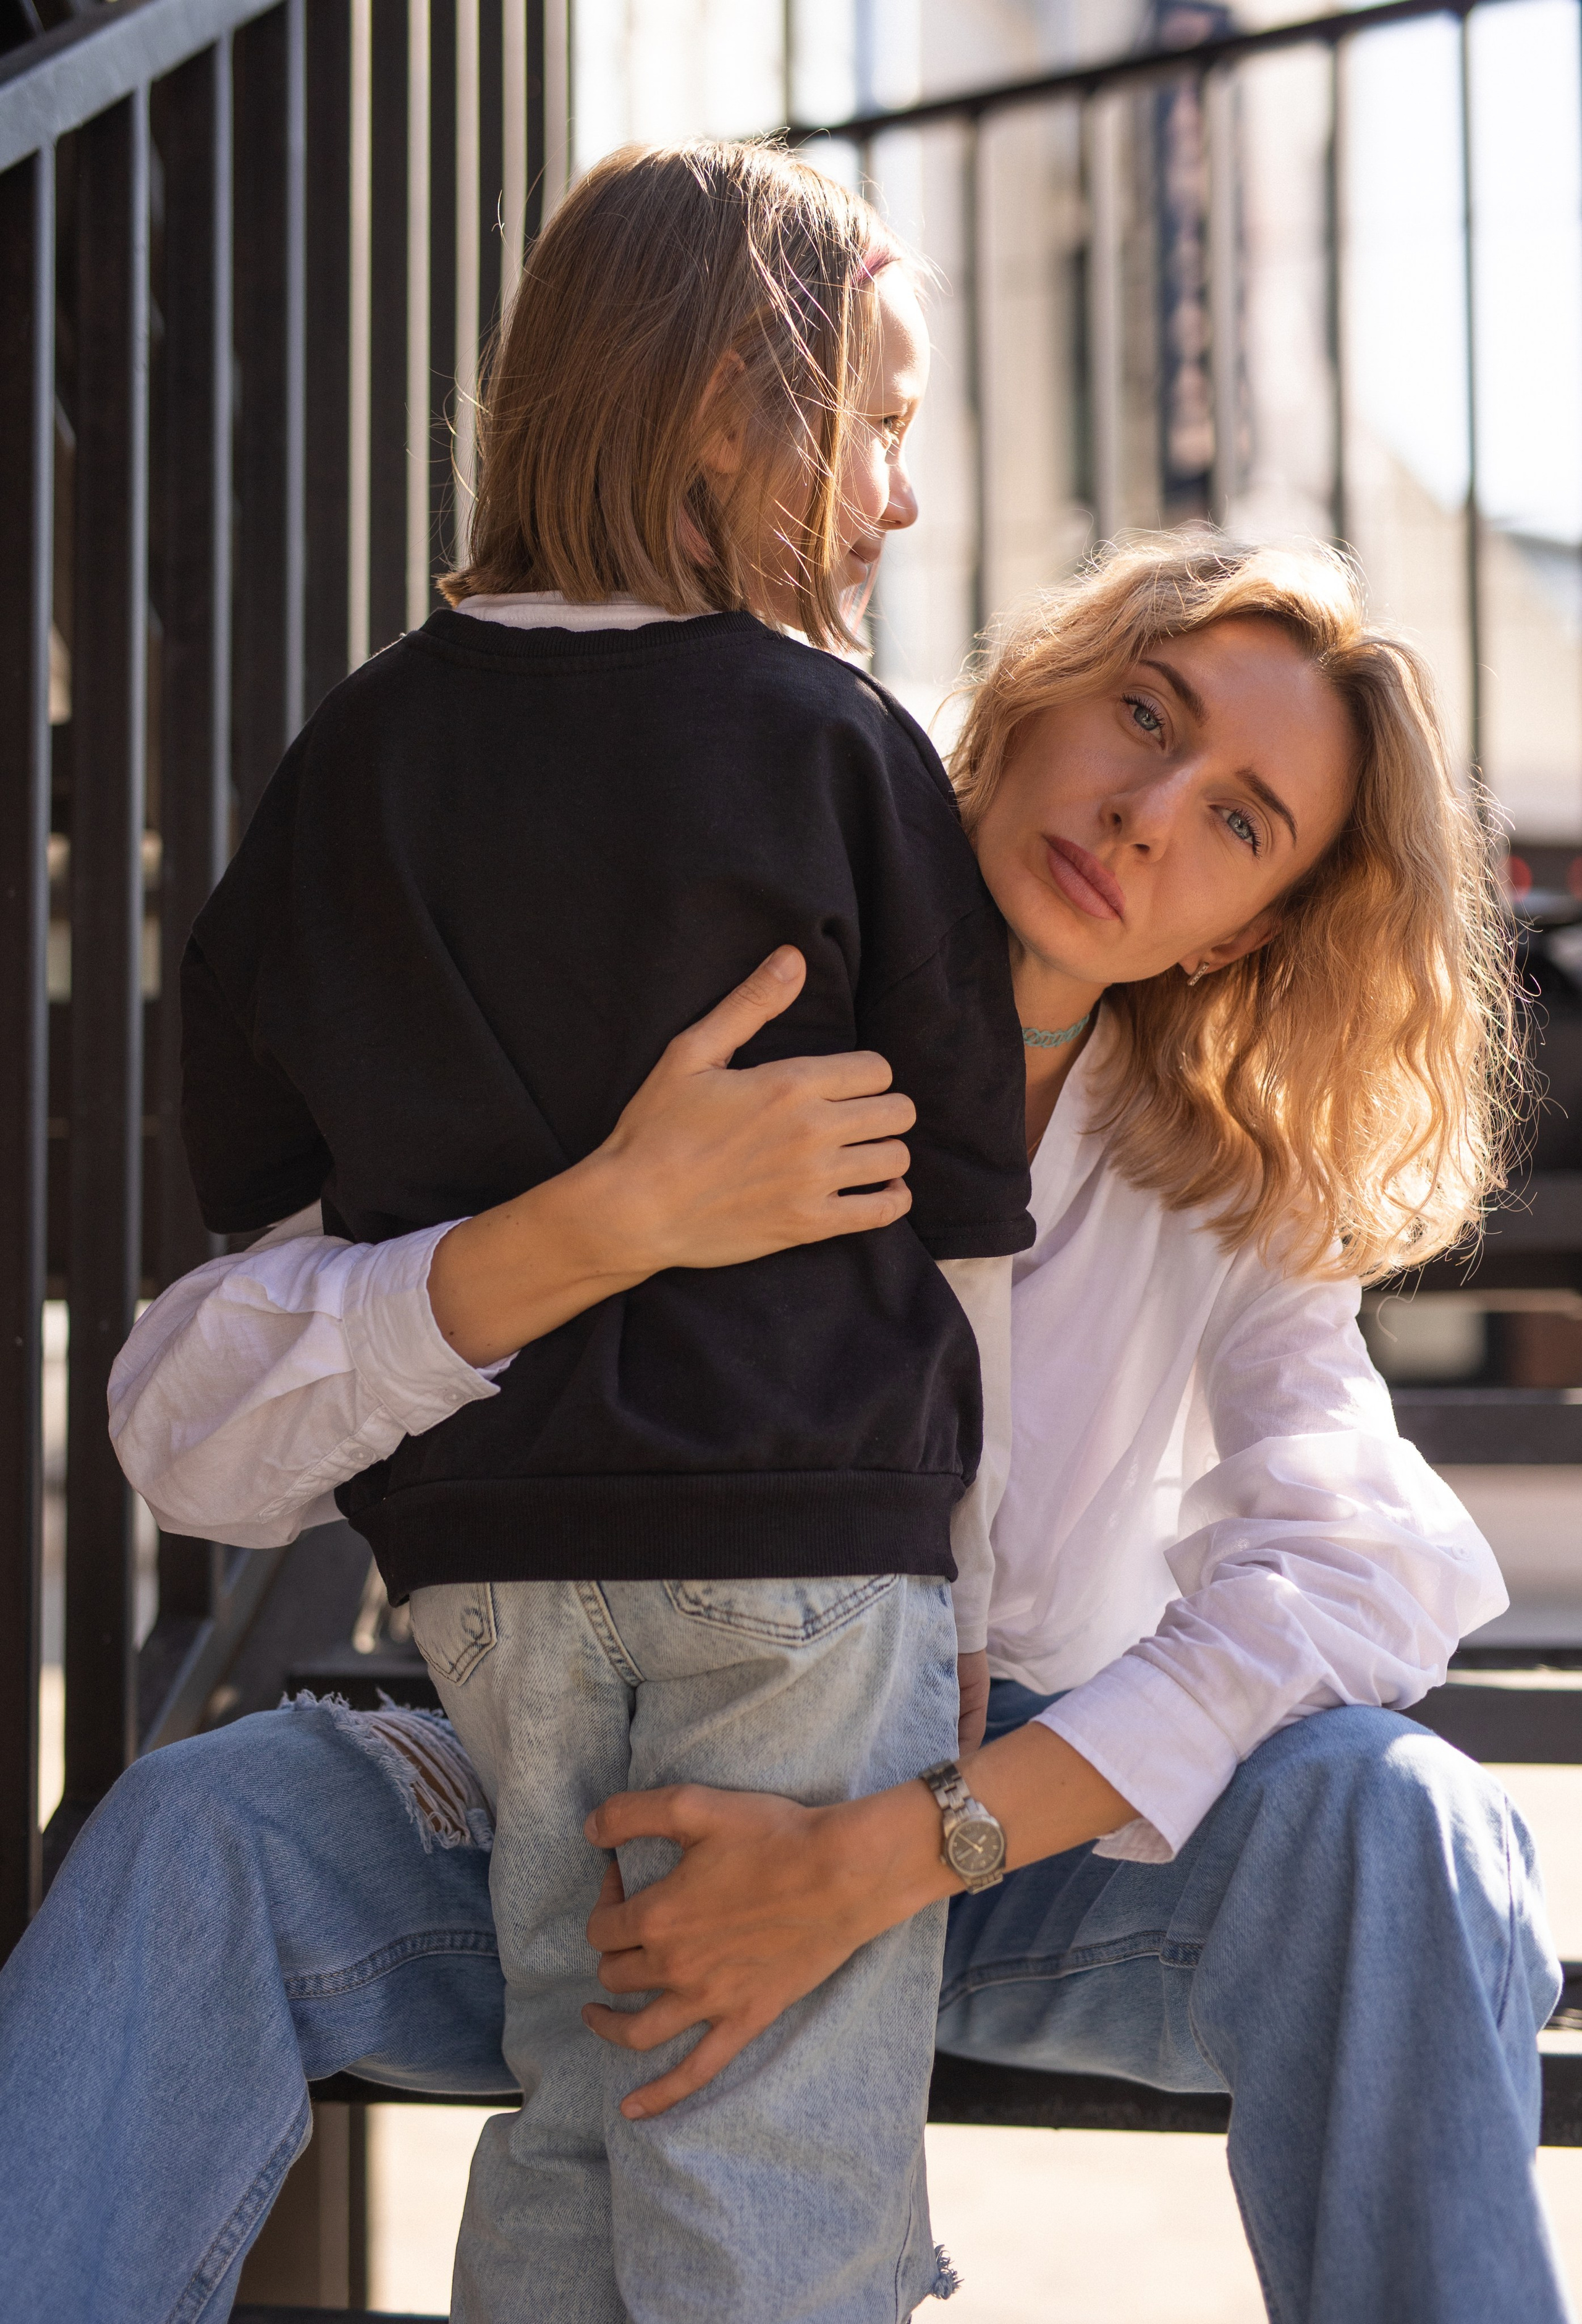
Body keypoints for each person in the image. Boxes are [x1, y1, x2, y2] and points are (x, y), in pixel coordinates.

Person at [0, 538, 1565, 2324]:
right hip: (581, 1804)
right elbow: (184, 1431)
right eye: (1146, 713)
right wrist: (591, 1222)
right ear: (1041, 689)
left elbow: (1353, 1568)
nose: (1145, 814)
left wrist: (892, 1853)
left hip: (1005, 1852)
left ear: (1258, 925)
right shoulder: (697, 970)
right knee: (205, 1836)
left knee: (1410, 1827)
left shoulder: (1213, 1169)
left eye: (1240, 823)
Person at [169, 135, 1036, 2323]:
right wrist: (974, 1574)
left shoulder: (351, 755)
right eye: (882, 424)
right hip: (809, 1554)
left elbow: (254, 1159)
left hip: (493, 1572)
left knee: (581, 2097)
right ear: (730, 404)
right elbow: (960, 1212)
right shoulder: (839, 737)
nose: (899, 500)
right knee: (776, 2145)